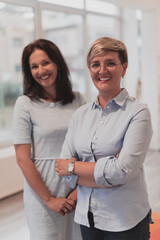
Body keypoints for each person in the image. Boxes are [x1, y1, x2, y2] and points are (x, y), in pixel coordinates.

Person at [55, 37, 153, 240]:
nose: (102, 70)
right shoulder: (80, 114)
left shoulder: (138, 113)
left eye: (110, 63)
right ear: (89, 69)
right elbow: (62, 170)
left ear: (123, 68)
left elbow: (122, 171)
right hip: (87, 217)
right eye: (95, 64)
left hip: (126, 219)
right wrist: (109, 174)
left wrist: (74, 167)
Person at [12, 39, 86, 240]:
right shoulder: (25, 104)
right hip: (42, 195)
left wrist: (79, 192)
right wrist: (50, 199)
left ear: (57, 63)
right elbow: (22, 159)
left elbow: (88, 149)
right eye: (34, 66)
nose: (41, 70)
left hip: (78, 191)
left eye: (45, 63)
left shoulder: (79, 99)